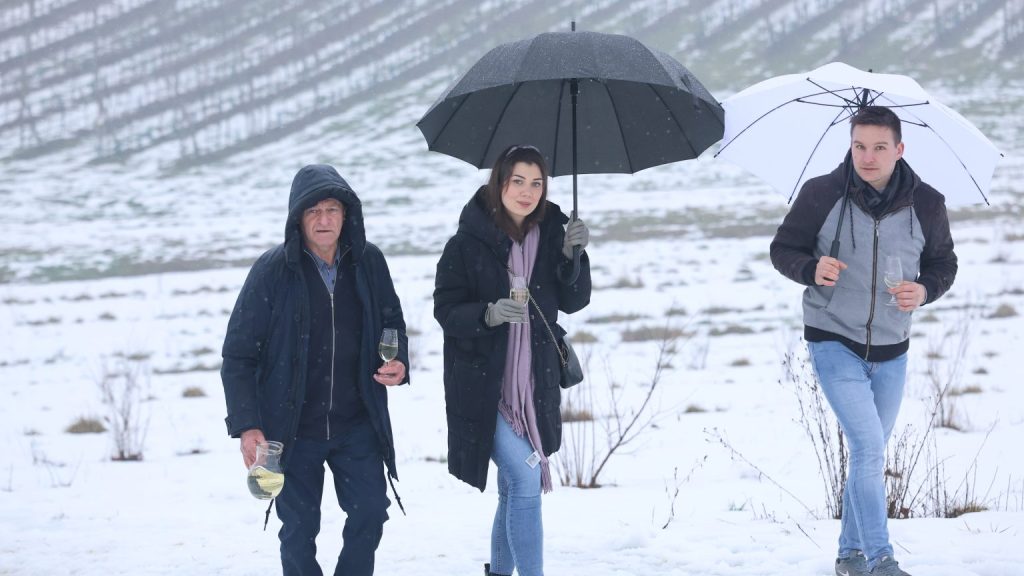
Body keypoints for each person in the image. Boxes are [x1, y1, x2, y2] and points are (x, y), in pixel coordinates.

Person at [770, 106, 957, 576]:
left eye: (878, 147)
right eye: (859, 146)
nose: (867, 157)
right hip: (833, 337)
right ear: (849, 145)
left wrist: (925, 290)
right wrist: (810, 269)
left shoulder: (927, 203)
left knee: (866, 454)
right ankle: (880, 560)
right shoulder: (822, 193)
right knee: (870, 449)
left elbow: (943, 263)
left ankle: (849, 556)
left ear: (899, 149)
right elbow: (782, 249)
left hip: (893, 347)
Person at [221, 164, 409, 576]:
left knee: (370, 512)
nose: (324, 220)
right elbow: (238, 355)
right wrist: (248, 425)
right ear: (298, 218)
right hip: (292, 429)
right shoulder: (272, 271)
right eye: (313, 211)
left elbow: (392, 323)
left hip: (356, 422)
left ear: (346, 215)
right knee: (299, 530)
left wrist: (399, 363)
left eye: (332, 210)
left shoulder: (369, 262)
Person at [433, 145, 592, 576]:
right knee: (524, 480)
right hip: (485, 388)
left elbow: (574, 301)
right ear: (499, 184)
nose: (527, 192)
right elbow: (445, 310)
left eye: (537, 183)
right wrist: (487, 314)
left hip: (534, 385)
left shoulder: (554, 236)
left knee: (513, 488)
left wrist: (573, 257)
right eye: (517, 181)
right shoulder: (466, 245)